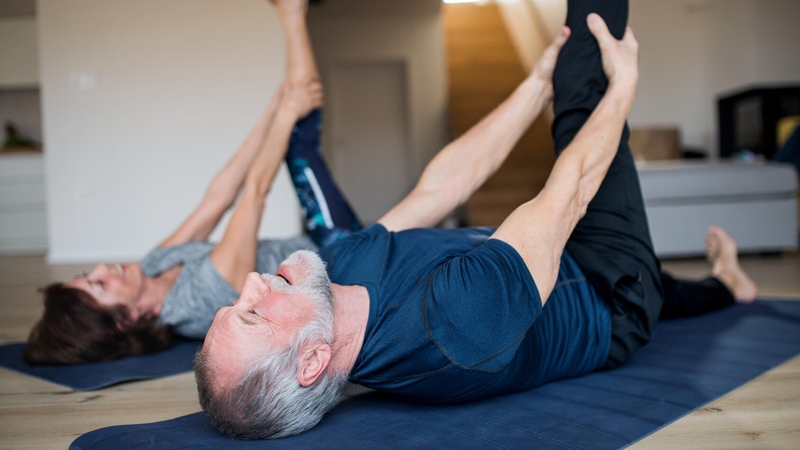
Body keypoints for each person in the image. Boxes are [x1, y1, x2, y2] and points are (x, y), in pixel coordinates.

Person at [195, 0, 760, 439]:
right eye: (252, 316)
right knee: (583, 92)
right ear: (315, 358)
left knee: (674, 290)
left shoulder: (336, 274)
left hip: (550, 264)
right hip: (610, 292)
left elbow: (443, 186)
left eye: (235, 302)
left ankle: (729, 286)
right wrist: (624, 88)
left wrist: (533, 85)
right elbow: (568, 195)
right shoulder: (450, 327)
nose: (249, 283)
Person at [24, 0, 360, 365]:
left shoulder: (152, 266)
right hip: (340, 256)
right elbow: (256, 194)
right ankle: (293, 13)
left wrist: (274, 111)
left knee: (292, 129)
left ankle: (292, 14)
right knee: (298, 143)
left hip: (311, 241)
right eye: (100, 284)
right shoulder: (200, 300)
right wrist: (286, 114)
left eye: (89, 274)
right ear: (128, 319)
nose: (103, 267)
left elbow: (218, 198)